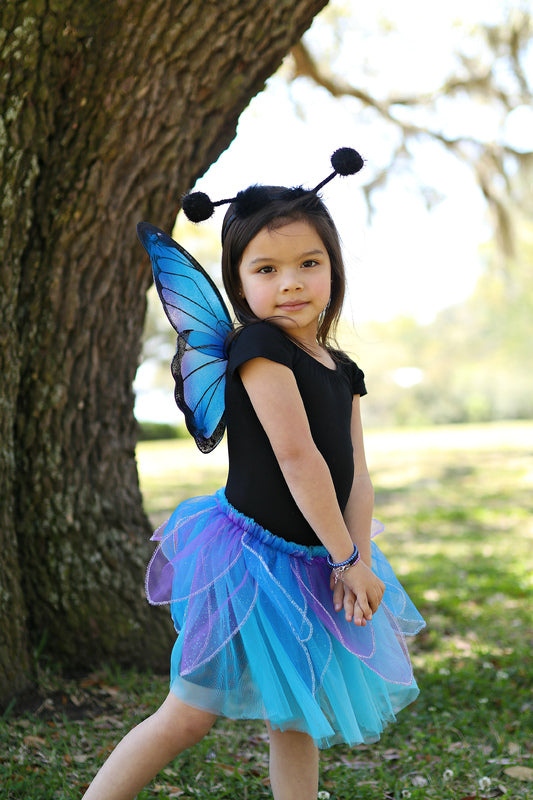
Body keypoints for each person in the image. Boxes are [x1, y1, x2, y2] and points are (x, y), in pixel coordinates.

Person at [82, 149, 425, 800]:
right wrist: (343, 555)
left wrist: (357, 559)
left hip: (317, 557)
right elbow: (297, 458)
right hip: (248, 561)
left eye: (308, 264)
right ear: (239, 285)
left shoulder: (342, 369)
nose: (290, 283)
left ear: (333, 268)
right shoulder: (259, 348)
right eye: (267, 269)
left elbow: (356, 474)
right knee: (188, 714)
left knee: (295, 715)